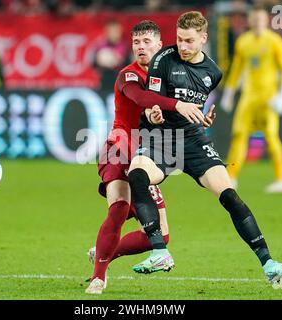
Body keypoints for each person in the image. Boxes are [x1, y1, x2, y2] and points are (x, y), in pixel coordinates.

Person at [127, 11, 282, 287]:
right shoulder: (162, 60)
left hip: (194, 141)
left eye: (189, 41)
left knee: (229, 195)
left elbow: (195, 104)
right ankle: (159, 252)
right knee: (137, 175)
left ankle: (269, 263)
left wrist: (203, 118)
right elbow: (152, 102)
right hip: (163, 139)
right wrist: (152, 114)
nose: (182, 46)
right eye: (179, 39)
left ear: (203, 38)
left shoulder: (213, 73)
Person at [86, 20, 213, 294]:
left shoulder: (169, 76)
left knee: (158, 236)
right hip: (119, 149)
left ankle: (103, 252)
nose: (140, 48)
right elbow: (141, 99)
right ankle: (99, 276)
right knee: (119, 208)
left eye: (146, 43)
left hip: (148, 156)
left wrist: (197, 118)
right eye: (136, 43)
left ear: (159, 45)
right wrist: (178, 104)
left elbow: (170, 112)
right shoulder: (128, 75)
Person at [220, 5, 282, 193]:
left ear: (266, 21)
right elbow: (237, 69)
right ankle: (232, 177)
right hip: (249, 96)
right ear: (250, 22)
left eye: (260, 20)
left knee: (271, 136)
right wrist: (229, 93)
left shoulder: (275, 41)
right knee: (238, 134)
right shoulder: (243, 42)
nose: (257, 23)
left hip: (269, 97)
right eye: (254, 20)